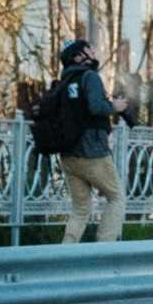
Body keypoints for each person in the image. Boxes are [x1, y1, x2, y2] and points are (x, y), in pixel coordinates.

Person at [57, 40, 129, 244]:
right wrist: (115, 106)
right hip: (92, 151)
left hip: (68, 153)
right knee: (116, 197)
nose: (94, 50)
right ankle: (104, 249)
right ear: (78, 56)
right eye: (89, 48)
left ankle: (64, 254)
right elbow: (96, 107)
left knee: (80, 208)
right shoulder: (90, 77)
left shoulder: (64, 80)